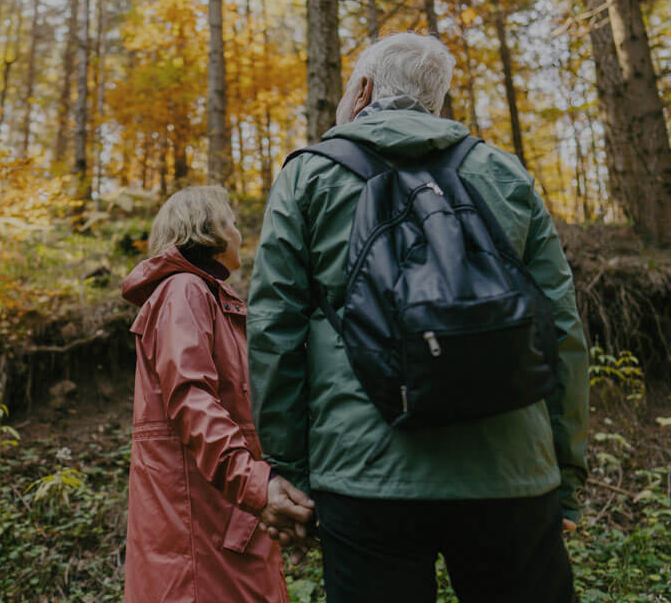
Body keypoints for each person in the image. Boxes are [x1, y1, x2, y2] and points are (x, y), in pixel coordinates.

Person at [248, 33, 589, 602]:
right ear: (436, 101)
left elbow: (273, 328)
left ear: (362, 91)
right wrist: (565, 474)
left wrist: (288, 470)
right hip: (511, 468)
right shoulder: (504, 173)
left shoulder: (309, 176)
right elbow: (560, 326)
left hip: (363, 471)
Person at [121, 185, 314, 603]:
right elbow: (192, 400)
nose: (240, 234)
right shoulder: (184, 290)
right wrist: (256, 485)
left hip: (226, 517)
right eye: (232, 223)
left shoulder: (208, 297)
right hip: (201, 529)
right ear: (209, 231)